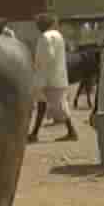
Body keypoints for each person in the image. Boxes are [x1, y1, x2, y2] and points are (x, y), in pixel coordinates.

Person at [29, 13, 78, 143]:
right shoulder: (58, 35)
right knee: (42, 105)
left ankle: (72, 132)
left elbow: (48, 57)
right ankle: (34, 134)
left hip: (48, 79)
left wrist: (36, 64)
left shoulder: (45, 37)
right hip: (58, 77)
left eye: (38, 24)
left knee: (60, 107)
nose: (37, 27)